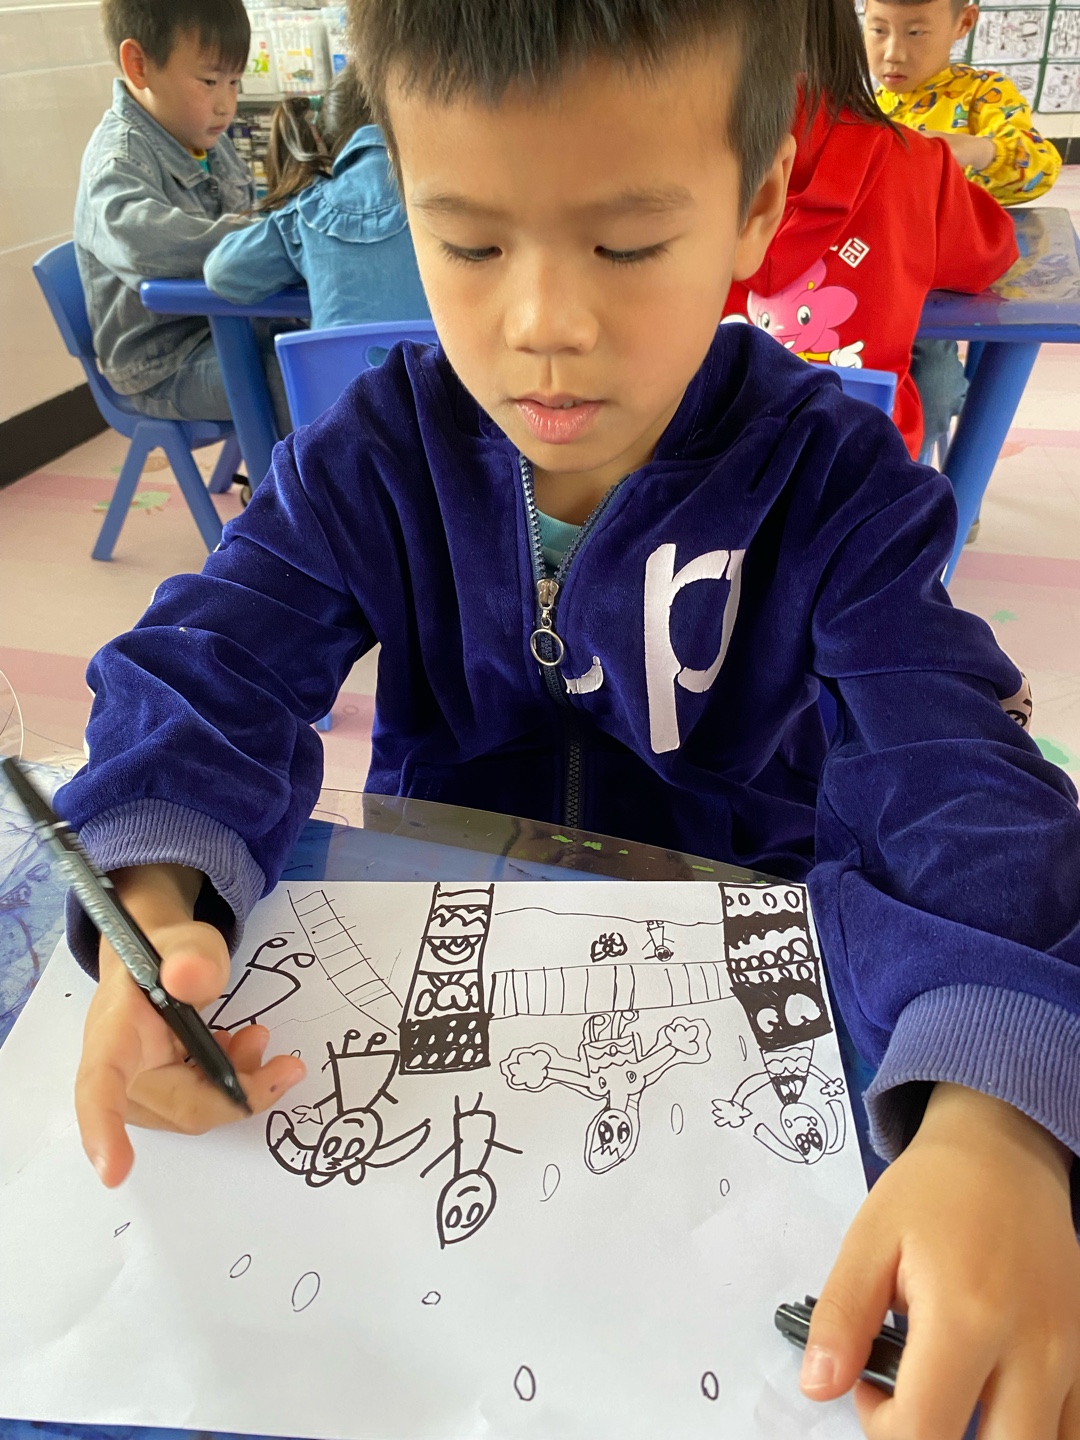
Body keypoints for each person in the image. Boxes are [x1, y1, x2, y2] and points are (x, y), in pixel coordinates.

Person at [58, 3, 1080, 1438]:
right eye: (469, 245)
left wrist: (998, 1115)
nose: (544, 324)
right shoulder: (376, 456)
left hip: (743, 1022)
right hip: (444, 1001)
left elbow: (957, 770)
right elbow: (215, 657)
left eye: (628, 245)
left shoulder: (833, 479)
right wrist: (154, 898)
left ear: (756, 205)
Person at [723, 0, 1016, 460]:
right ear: (848, 38)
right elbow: (988, 255)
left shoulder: (673, 156)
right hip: (862, 457)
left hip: (699, 452)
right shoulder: (916, 163)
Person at [864, 0, 1062, 464]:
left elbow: (1040, 166)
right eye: (878, 30)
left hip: (937, 293)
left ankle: (923, 481)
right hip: (870, 282)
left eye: (916, 33)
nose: (893, 53)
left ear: (964, 23)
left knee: (932, 392)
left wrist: (977, 149)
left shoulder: (982, 95)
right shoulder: (865, 103)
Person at [75, 0, 287, 430]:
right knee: (296, 377)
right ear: (139, 66)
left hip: (231, 327)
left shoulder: (205, 138)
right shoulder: (117, 160)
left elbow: (251, 212)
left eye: (234, 82)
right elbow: (144, 245)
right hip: (163, 364)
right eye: (209, 81)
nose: (227, 104)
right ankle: (296, 477)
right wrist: (267, 238)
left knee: (328, 345)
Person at [204, 67, 430, 329]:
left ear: (320, 138)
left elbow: (223, 274)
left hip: (339, 358)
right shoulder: (451, 199)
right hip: (439, 358)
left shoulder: (306, 213)